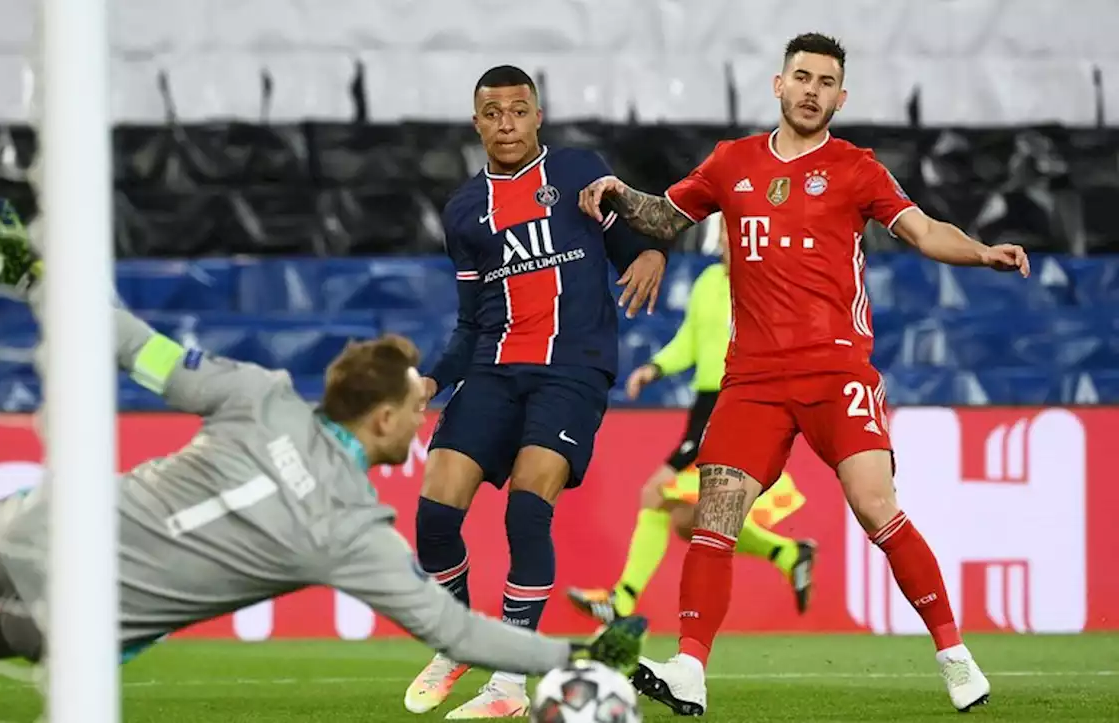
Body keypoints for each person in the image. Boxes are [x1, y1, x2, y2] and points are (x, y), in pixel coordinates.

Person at [0, 198, 649, 690]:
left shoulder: (256, 395)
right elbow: (458, 633)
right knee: (61, 631)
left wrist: (32, 277)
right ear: (380, 421)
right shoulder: (354, 536)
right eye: (414, 405)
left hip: (47, 529)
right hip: (92, 618)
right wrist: (577, 653)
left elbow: (137, 347)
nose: (421, 418)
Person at [578, 32, 1029, 716]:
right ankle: (690, 670)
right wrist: (618, 192)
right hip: (753, 379)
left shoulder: (857, 168)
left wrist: (982, 253)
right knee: (714, 515)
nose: (813, 90)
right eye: (803, 77)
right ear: (778, 85)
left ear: (840, 98)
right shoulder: (732, 164)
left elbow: (924, 229)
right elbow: (667, 216)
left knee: (876, 506)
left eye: (826, 82)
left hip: (835, 367)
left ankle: (954, 654)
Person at [406, 65, 668, 719]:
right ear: (476, 123)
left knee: (527, 507)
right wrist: (435, 379)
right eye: (492, 113)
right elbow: (470, 322)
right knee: (435, 512)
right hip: (494, 367)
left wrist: (651, 251)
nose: (506, 124)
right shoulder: (465, 210)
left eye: (518, 110)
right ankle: (460, 636)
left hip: (571, 369)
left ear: (537, 115)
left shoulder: (580, 171)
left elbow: (641, 228)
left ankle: (507, 686)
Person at [565, 219, 816, 625]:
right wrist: (655, 367)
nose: (723, 246)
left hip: (741, 405)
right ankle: (787, 553)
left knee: (656, 495)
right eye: (720, 238)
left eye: (729, 238)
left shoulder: (770, 286)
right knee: (685, 519)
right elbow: (691, 339)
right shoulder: (708, 282)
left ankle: (623, 601)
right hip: (707, 406)